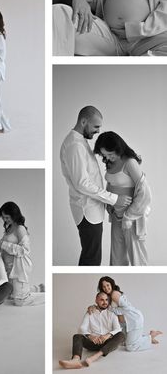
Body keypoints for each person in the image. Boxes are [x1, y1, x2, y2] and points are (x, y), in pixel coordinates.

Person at [60, 106, 132, 266]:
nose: (98, 131)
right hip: (87, 210)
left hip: (92, 208)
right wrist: (114, 199)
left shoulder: (80, 142)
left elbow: (90, 179)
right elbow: (82, 183)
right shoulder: (75, 145)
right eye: (96, 126)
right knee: (91, 258)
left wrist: (105, 202)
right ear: (83, 121)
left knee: (92, 256)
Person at [94, 131, 151, 266]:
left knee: (136, 257)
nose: (107, 158)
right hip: (116, 214)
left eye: (110, 154)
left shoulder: (130, 163)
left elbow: (145, 191)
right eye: (104, 155)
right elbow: (111, 183)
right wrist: (109, 202)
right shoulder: (110, 163)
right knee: (117, 256)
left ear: (117, 147)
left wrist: (129, 216)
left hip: (131, 216)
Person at [88, 276, 162, 352]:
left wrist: (110, 309)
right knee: (123, 342)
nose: (106, 288)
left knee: (130, 347)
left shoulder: (114, 294)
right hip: (124, 323)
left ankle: (150, 337)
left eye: (107, 285)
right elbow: (102, 304)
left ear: (111, 284)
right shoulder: (108, 296)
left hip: (134, 319)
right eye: (104, 287)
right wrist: (92, 306)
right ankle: (148, 338)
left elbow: (127, 308)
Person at [0, 202, 45, 306]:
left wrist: (4, 245)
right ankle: (37, 288)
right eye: (3, 217)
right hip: (7, 269)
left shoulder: (20, 229)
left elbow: (25, 250)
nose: (5, 220)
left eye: (7, 217)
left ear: (14, 215)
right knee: (9, 295)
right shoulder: (9, 228)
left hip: (18, 269)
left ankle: (49, 297)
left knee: (19, 301)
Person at [59, 291, 125, 369]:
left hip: (107, 343)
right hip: (93, 342)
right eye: (102, 300)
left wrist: (107, 335)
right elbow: (82, 328)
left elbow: (117, 328)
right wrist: (90, 336)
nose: (105, 302)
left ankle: (93, 358)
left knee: (121, 335)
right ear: (96, 300)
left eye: (106, 300)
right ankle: (75, 360)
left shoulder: (112, 314)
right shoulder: (90, 312)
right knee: (77, 336)